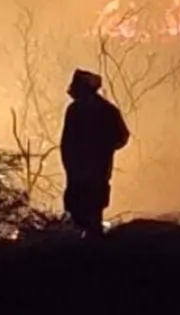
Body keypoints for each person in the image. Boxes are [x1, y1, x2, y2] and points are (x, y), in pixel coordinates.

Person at [59, 69, 130, 237]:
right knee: (87, 210)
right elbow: (122, 137)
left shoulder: (79, 110)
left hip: (88, 171)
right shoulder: (104, 110)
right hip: (89, 171)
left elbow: (67, 143)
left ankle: (90, 246)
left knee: (88, 210)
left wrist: (102, 149)